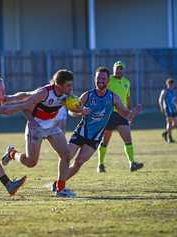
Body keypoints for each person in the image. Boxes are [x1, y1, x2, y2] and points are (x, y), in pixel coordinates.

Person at [50, 67, 141, 195]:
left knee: (78, 163)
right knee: (66, 157)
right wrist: (80, 111)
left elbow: (124, 113)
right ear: (95, 79)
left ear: (108, 81)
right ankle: (60, 186)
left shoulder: (113, 97)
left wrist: (132, 113)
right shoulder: (88, 95)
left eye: (103, 78)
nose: (100, 80)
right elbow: (72, 111)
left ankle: (58, 184)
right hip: (80, 133)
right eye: (98, 78)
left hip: (95, 138)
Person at [1, 69, 80, 198]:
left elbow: (73, 111)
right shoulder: (44, 93)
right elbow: (25, 105)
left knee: (66, 155)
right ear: (58, 85)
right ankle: (11, 153)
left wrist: (82, 110)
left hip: (52, 126)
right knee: (31, 162)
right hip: (36, 127)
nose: (71, 88)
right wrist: (31, 121)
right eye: (68, 85)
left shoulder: (68, 96)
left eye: (71, 85)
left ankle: (60, 189)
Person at [97, 61, 143, 173]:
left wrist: (129, 113)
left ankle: (132, 163)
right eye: (116, 68)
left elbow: (127, 98)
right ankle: (100, 164)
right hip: (109, 113)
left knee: (128, 139)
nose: (118, 70)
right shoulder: (108, 80)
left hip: (121, 114)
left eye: (120, 68)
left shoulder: (127, 82)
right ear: (113, 70)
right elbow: (100, 91)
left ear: (123, 70)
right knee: (105, 141)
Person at [158, 78, 177, 143]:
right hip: (167, 109)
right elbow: (160, 99)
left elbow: (174, 100)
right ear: (167, 84)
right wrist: (161, 107)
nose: (171, 85)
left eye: (172, 84)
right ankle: (169, 138)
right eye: (169, 84)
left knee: (176, 123)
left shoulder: (173, 91)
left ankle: (165, 133)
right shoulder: (165, 91)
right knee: (169, 123)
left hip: (173, 109)